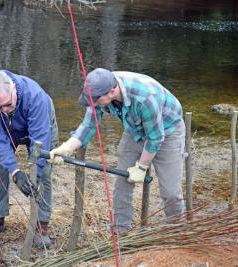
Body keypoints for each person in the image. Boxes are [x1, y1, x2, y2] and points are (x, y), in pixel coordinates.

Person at [50, 68, 185, 233]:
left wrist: (141, 167)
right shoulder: (100, 89)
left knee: (170, 192)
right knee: (123, 182)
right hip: (135, 130)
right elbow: (88, 125)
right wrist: (65, 148)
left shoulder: (146, 97)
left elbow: (155, 138)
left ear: (112, 91)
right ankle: (121, 232)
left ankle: (178, 231)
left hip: (167, 130)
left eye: (96, 100)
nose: (94, 103)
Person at [0, 70, 58, 248]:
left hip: (39, 125)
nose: (4, 110)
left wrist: (33, 172)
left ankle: (41, 225)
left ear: (13, 88)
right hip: (5, 129)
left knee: (42, 172)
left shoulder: (35, 97)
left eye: (7, 104)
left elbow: (40, 141)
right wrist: (15, 172)